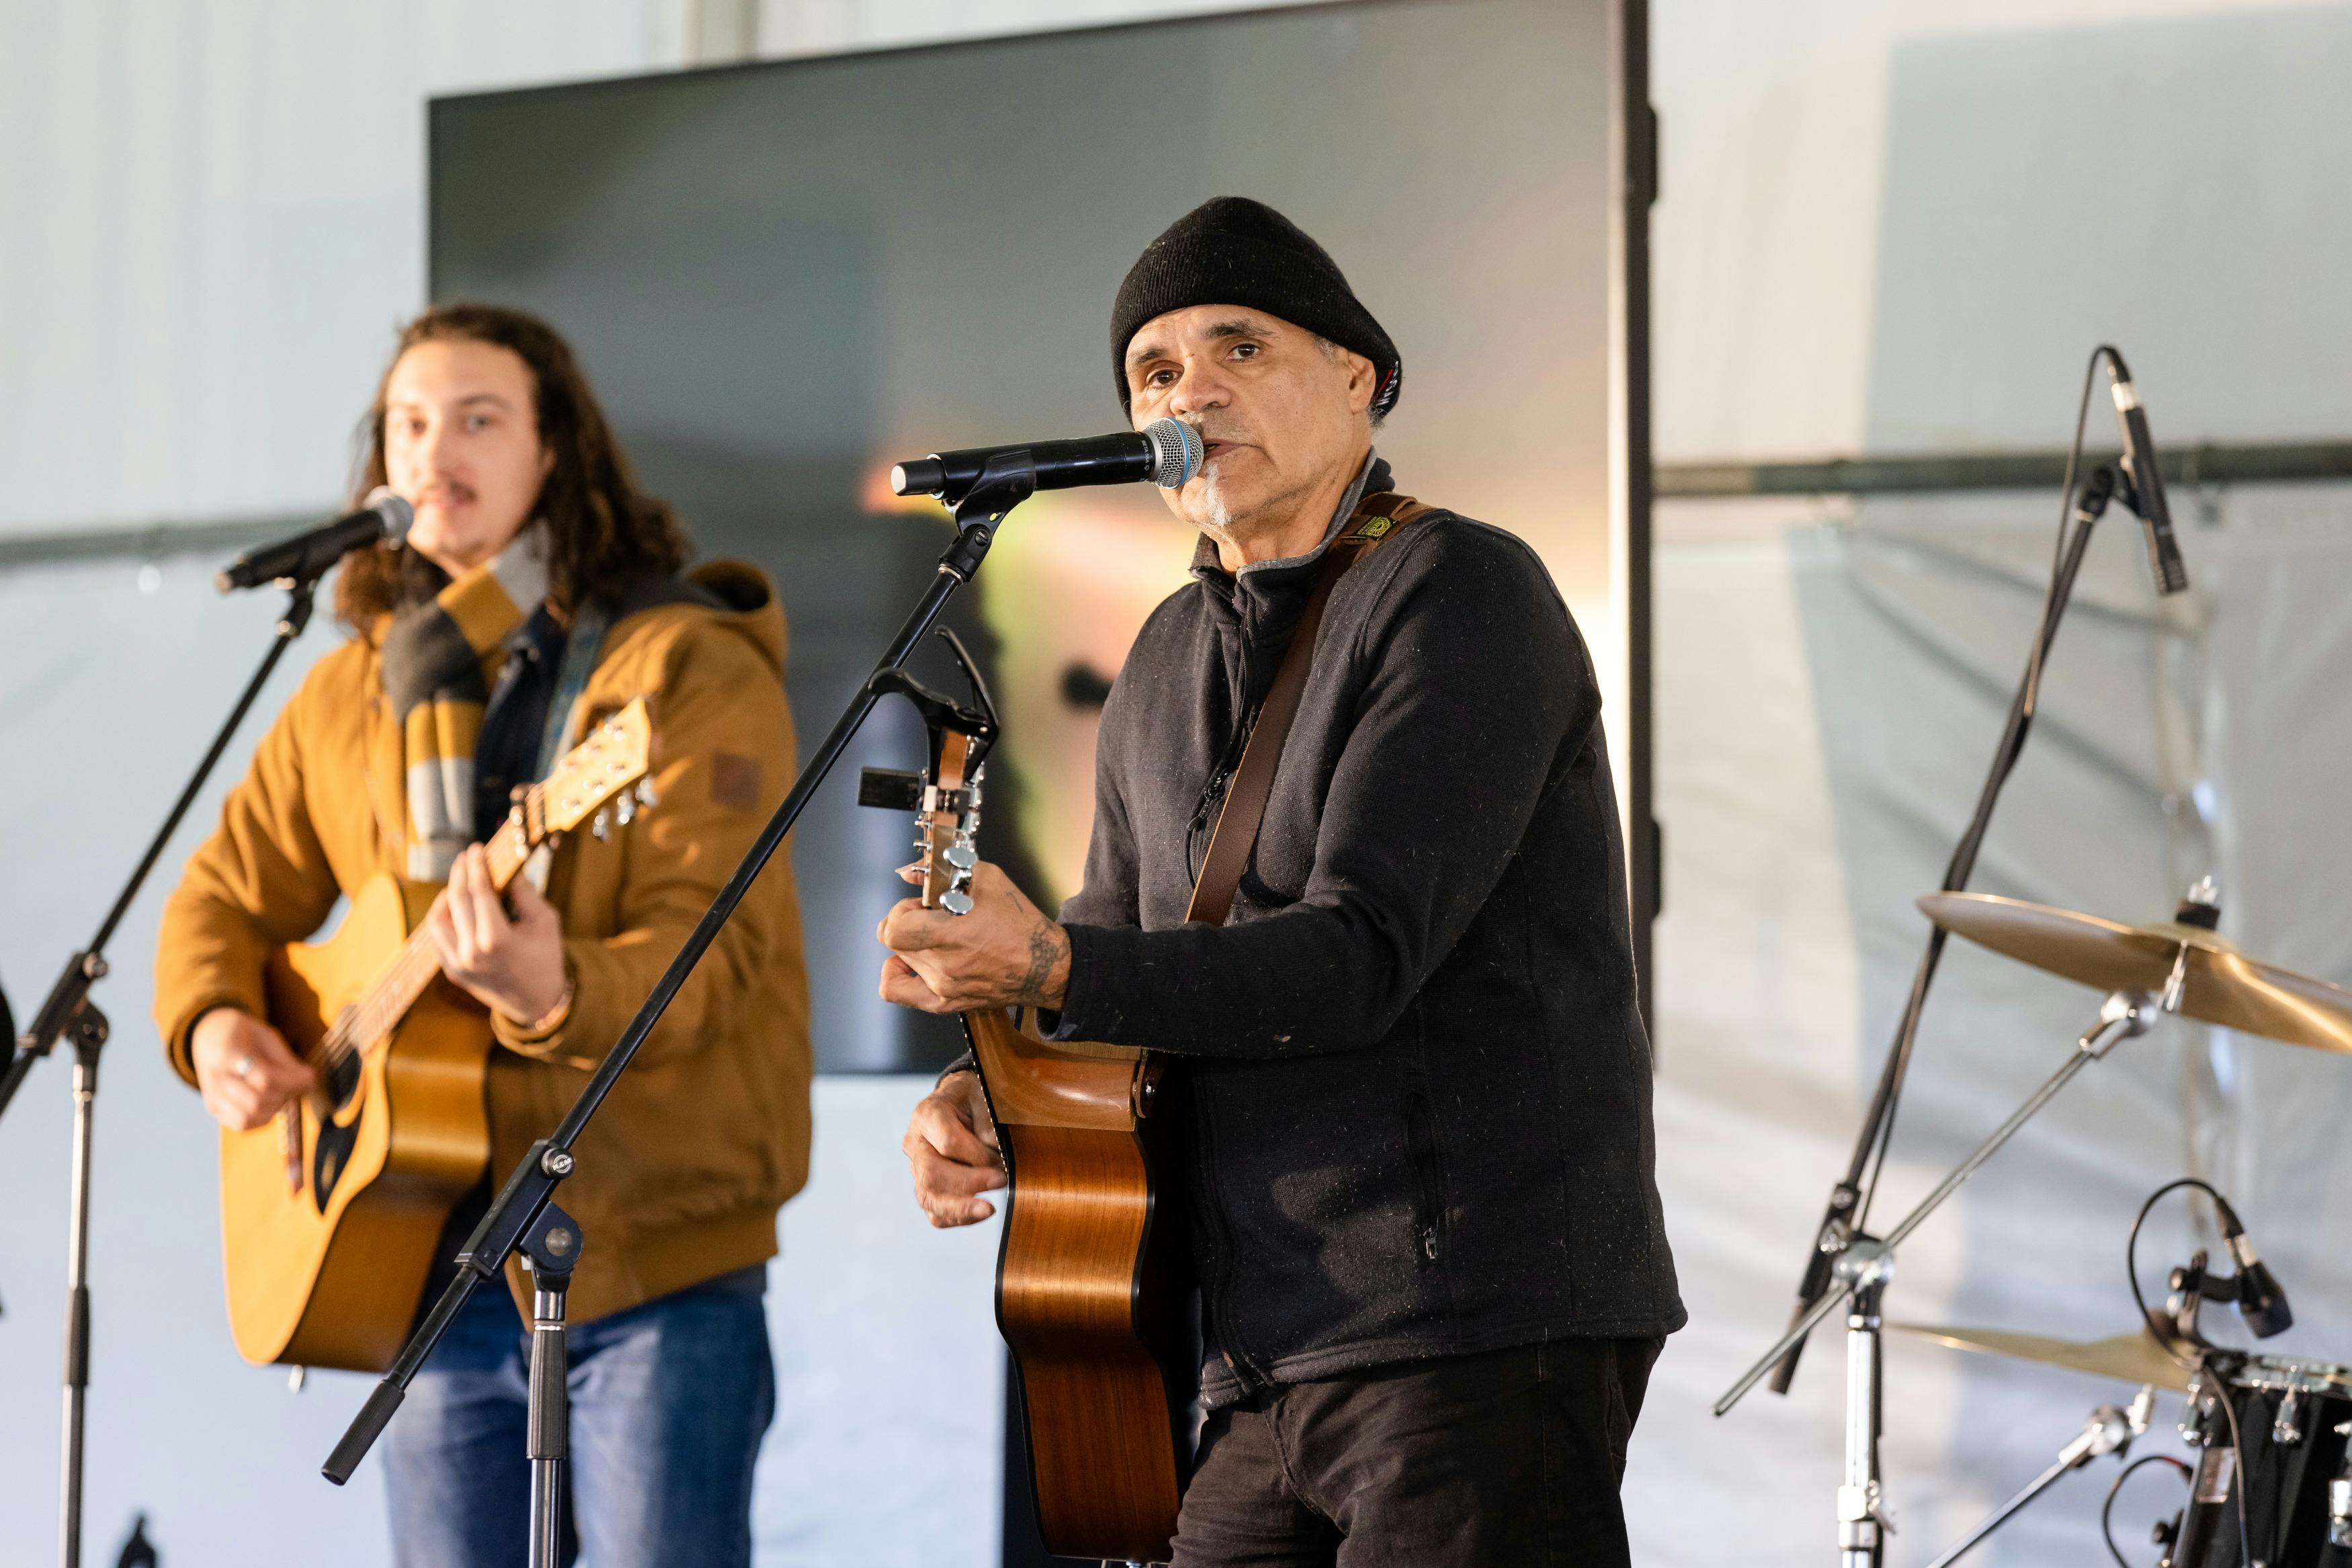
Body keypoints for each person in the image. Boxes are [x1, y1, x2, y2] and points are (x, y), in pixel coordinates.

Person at [886, 197, 1682, 1565]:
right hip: (1260, 1344)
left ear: (1358, 378)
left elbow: (1357, 954)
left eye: (1237, 349)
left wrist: (1052, 969)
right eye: (1153, 370)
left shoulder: (1463, 593)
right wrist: (995, 1087)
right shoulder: (1165, 656)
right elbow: (1115, 960)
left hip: (1473, 1328)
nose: (1187, 387)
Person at [154, 304, 810, 1568]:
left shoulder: (685, 666)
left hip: (646, 1273)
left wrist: (553, 985)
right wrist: (219, 1022)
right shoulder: (354, 683)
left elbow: (716, 964)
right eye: (408, 423)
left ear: (555, 446)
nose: (433, 448)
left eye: (477, 417)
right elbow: (219, 900)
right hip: (417, 1260)